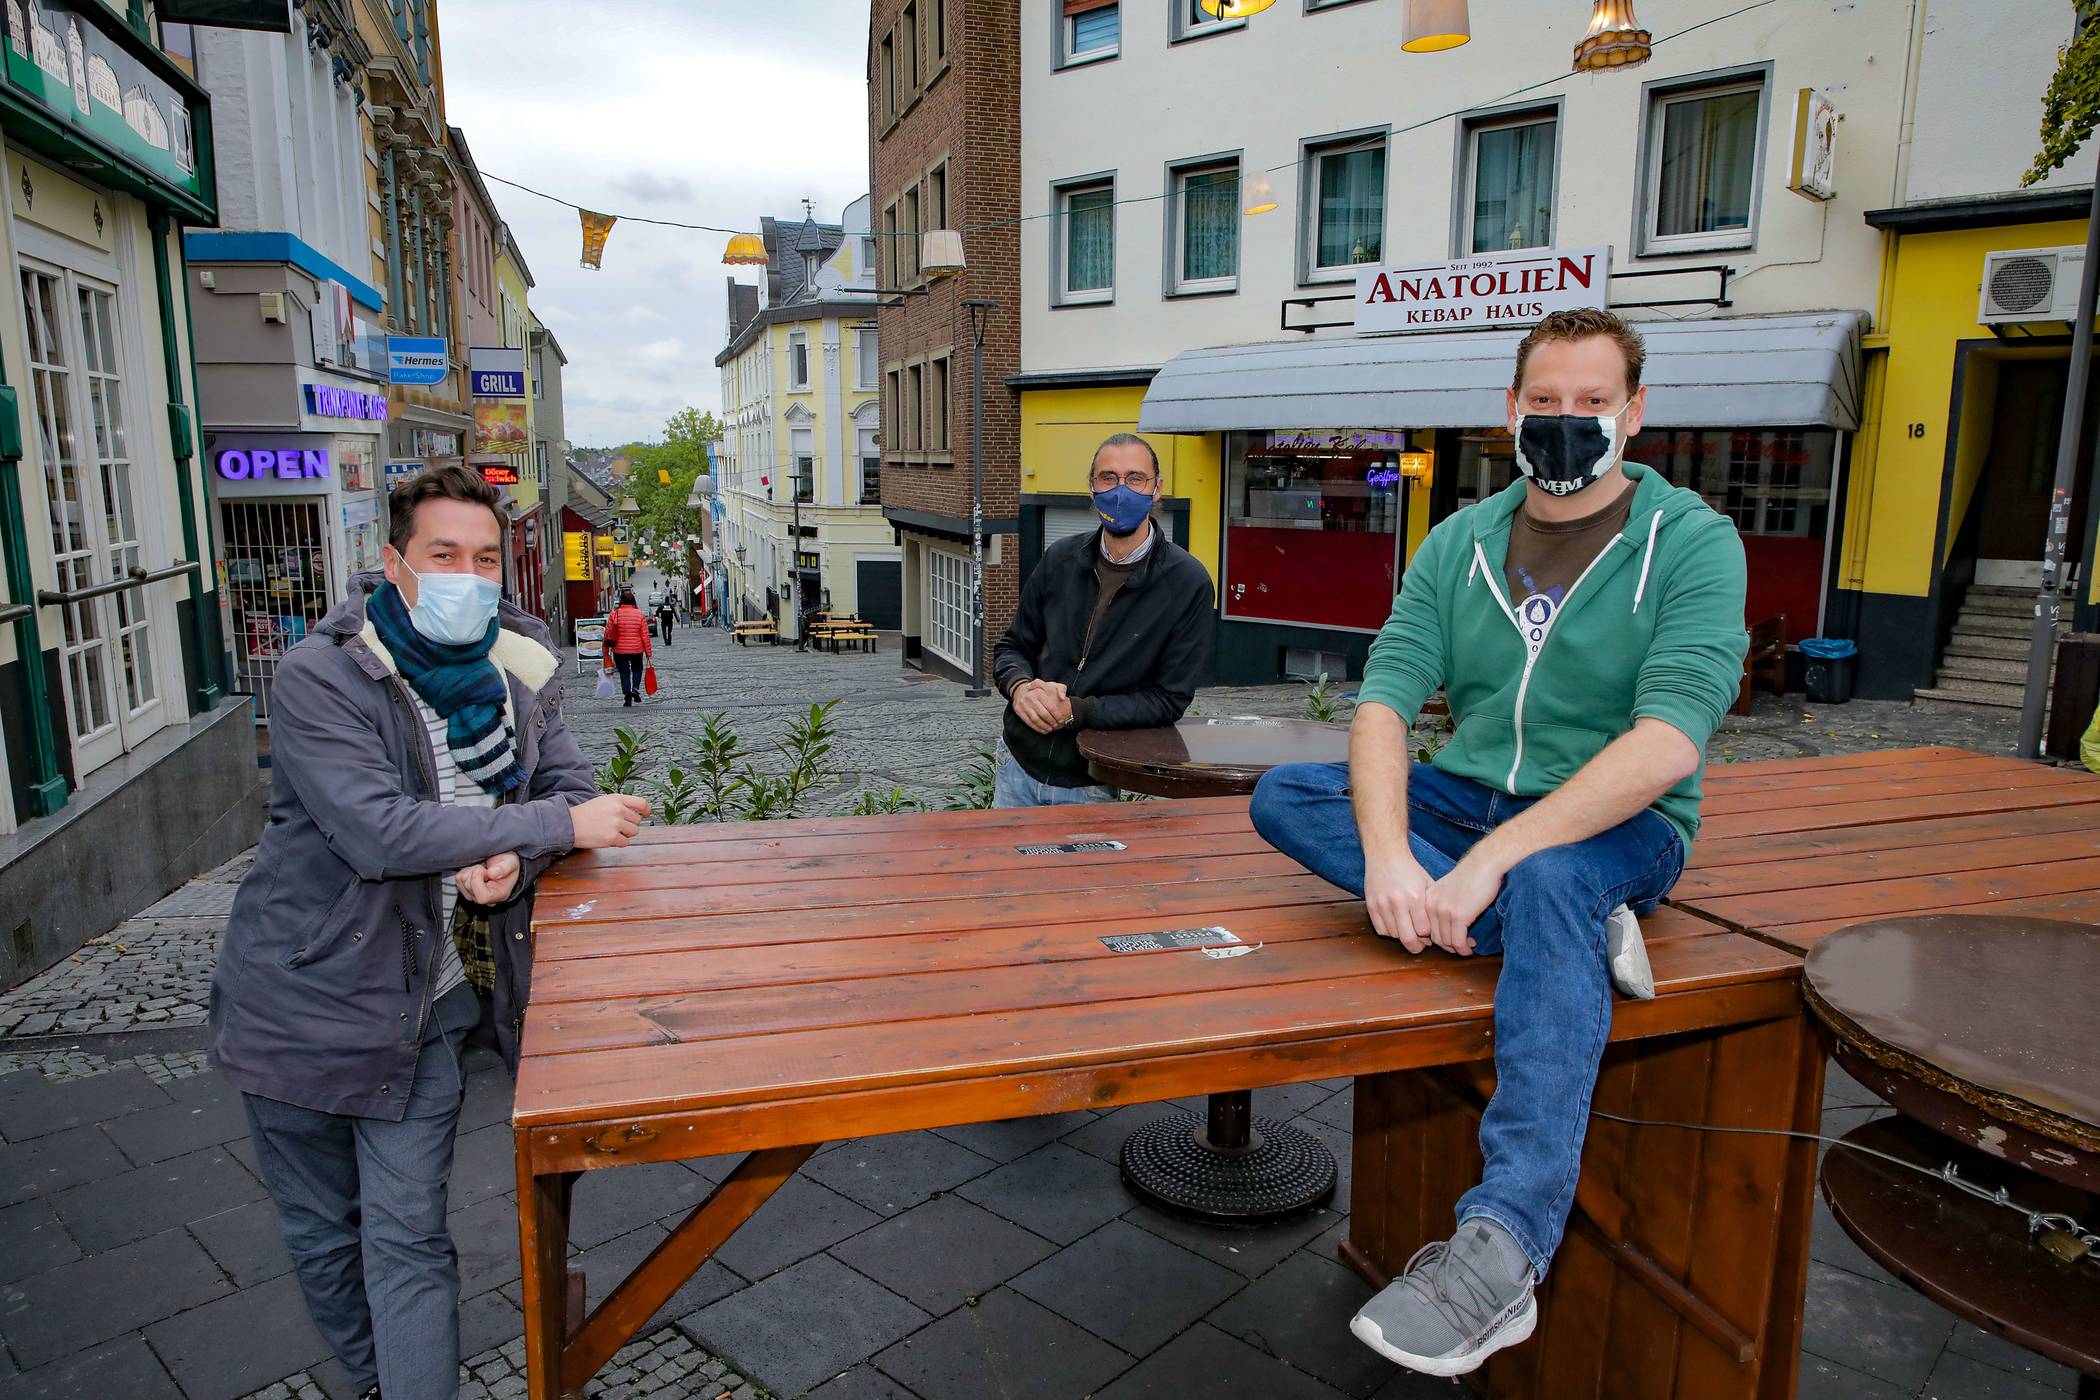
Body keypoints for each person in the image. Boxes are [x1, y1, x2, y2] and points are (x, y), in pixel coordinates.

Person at [1249, 309, 1747, 1378]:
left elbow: (1667, 743)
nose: (1566, 422)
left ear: (1636, 413)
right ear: (1509, 411)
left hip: (1615, 826)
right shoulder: (1458, 540)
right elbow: (1384, 699)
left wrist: (1490, 865)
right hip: (1462, 800)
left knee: (1555, 875)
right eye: (1545, 401)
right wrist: (1391, 853)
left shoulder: (1693, 542)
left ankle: (1506, 1246)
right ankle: (1550, 927)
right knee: (1289, 794)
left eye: (1592, 402)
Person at [210, 464, 652, 1400]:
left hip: (427, 1007)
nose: (468, 573)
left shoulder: (517, 662)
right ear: (393, 562)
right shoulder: (320, 675)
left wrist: (514, 861)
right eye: (443, 553)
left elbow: (565, 787)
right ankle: (376, 1382)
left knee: (408, 1237)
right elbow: (380, 831)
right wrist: (544, 833)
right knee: (327, 1238)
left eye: (486, 557)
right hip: (299, 1006)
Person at [989, 432, 1214, 807]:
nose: (1120, 489)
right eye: (1107, 477)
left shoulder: (1187, 583)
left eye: (1135, 478)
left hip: (1091, 778)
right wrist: (1020, 688)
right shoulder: (1059, 558)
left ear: (1157, 489)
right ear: (1092, 489)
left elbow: (1168, 699)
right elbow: (1012, 647)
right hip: (1015, 765)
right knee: (1003, 867)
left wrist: (1078, 711)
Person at [605, 587, 652, 705]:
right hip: (637, 649)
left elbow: (607, 633)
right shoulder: (640, 614)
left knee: (624, 673)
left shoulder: (614, 614)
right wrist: (648, 652)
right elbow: (645, 635)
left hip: (619, 650)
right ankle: (635, 689)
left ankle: (627, 696)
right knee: (637, 669)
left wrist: (605, 650)